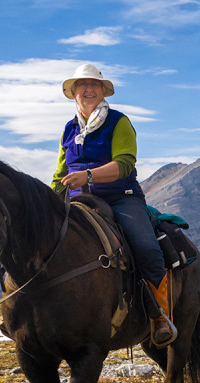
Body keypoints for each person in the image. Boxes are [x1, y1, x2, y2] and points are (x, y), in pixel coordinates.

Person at [50, 63, 175, 346]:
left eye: (94, 85)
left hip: (121, 196)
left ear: (102, 91)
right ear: (74, 93)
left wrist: (89, 175)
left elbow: (124, 163)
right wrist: (45, 203)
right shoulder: (68, 130)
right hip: (78, 199)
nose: (88, 89)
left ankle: (161, 316)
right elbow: (60, 175)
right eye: (82, 85)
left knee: (145, 246)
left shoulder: (119, 122)